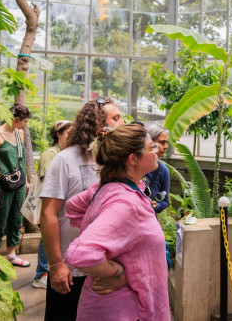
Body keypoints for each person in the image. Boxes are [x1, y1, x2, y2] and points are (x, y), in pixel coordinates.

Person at [65, 124, 170, 321]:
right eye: (151, 146)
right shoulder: (126, 203)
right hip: (126, 309)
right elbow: (81, 253)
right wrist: (119, 273)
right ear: (133, 159)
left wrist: (98, 229)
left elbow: (73, 208)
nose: (157, 149)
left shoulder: (108, 187)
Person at [40, 98, 125, 321]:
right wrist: (57, 264)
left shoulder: (116, 162)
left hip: (104, 270)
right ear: (99, 126)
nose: (122, 123)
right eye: (116, 118)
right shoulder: (64, 160)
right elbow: (48, 214)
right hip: (70, 271)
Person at [0, 103, 31, 271]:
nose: (26, 125)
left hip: (18, 182)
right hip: (2, 184)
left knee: (16, 218)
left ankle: (11, 253)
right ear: (16, 119)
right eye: (24, 122)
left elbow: (22, 159)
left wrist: (25, 180)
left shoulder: (19, 133)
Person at [33, 120, 73, 289]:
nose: (72, 137)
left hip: (62, 205)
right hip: (50, 204)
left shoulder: (67, 153)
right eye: (68, 134)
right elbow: (47, 181)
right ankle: (41, 274)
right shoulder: (51, 154)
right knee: (46, 238)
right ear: (58, 134)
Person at [143, 124, 170, 214]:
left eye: (167, 142)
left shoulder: (163, 170)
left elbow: (165, 202)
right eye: (162, 142)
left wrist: (156, 206)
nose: (166, 146)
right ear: (149, 142)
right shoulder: (134, 164)